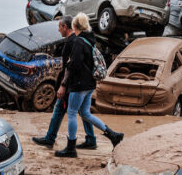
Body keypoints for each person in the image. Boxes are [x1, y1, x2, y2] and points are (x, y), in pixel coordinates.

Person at [55, 13, 123, 158]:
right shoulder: (90, 40)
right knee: (85, 113)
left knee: (72, 113)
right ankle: (112, 134)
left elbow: (76, 64)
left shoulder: (79, 41)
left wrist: (65, 78)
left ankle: (71, 148)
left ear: (74, 26)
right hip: (90, 84)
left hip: (79, 84)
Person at [31, 15, 97, 149]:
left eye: (59, 27)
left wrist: (63, 85)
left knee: (60, 110)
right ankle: (90, 138)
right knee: (83, 112)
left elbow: (71, 67)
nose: (58, 30)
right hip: (79, 84)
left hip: (72, 84)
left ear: (65, 27)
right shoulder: (80, 39)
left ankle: (51, 138)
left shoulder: (73, 42)